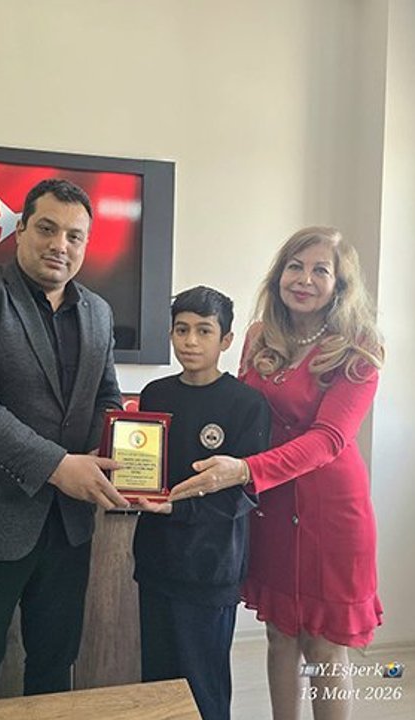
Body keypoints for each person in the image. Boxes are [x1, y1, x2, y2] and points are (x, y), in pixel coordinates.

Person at [0, 178, 129, 704]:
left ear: (85, 244)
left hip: (67, 526)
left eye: (74, 236)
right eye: (47, 228)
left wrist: (117, 451)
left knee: (54, 670)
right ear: (20, 229)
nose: (60, 244)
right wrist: (60, 466)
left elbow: (107, 397)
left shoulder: (99, 312)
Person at [168, 227, 385, 720]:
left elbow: (329, 439)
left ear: (340, 284)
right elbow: (240, 412)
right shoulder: (259, 336)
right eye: (295, 266)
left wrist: (244, 469)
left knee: (323, 646)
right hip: (270, 506)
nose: (304, 279)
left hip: (330, 512)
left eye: (320, 270)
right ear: (279, 274)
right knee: (280, 634)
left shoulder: (359, 346)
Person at [128, 286, 271, 720]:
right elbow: (144, 465)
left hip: (211, 567)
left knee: (203, 685)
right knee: (158, 686)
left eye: (204, 331)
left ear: (225, 340)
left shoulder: (247, 404)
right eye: (182, 329)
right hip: (156, 560)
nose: (190, 341)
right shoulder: (155, 393)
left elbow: (244, 493)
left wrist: (179, 507)